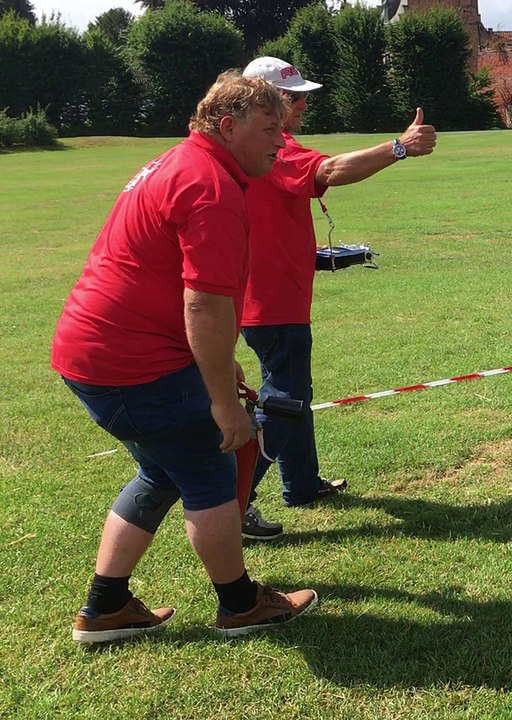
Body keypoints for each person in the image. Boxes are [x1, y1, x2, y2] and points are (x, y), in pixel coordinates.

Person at [53, 72, 318, 644]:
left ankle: (105, 607)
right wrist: (223, 402)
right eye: (270, 129)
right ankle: (241, 604)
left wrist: (216, 367)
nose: (282, 141)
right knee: (208, 469)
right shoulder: (211, 186)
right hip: (131, 359)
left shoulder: (180, 162)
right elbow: (204, 305)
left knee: (159, 471)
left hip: (95, 351)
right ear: (229, 126)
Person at [237, 57, 437, 539]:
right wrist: (400, 147)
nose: (304, 104)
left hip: (271, 296)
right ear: (261, 102)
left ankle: (302, 485)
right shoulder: (274, 150)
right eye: (293, 97)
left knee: (292, 396)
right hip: (270, 303)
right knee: (284, 399)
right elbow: (331, 169)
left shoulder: (260, 149)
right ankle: (233, 500)